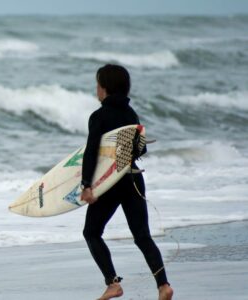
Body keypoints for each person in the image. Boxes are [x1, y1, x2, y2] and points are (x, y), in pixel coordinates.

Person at [80, 64, 174, 300]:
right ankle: (163, 286)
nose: (96, 89)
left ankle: (113, 284)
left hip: (110, 183)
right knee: (142, 236)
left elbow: (92, 152)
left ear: (105, 88)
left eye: (98, 84)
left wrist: (86, 185)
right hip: (133, 178)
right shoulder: (131, 114)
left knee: (91, 232)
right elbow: (138, 149)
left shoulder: (99, 116)